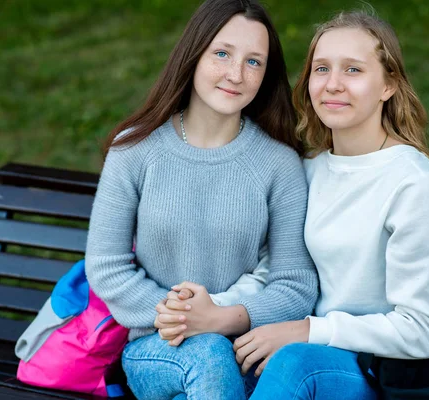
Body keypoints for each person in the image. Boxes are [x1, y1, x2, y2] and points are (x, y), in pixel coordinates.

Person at [83, 0, 318, 399]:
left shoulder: (279, 164)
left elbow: (296, 285)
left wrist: (220, 319)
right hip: (156, 346)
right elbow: (107, 266)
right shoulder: (135, 150)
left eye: (254, 62)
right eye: (222, 54)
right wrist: (181, 317)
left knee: (218, 360)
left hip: (247, 347)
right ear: (193, 56)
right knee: (208, 356)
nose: (236, 74)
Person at [228, 10, 429, 400]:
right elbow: (273, 270)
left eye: (353, 70)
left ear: (388, 84)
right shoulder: (307, 172)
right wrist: (209, 309)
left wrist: (310, 330)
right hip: (319, 352)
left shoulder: (414, 186)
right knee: (220, 356)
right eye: (321, 69)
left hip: (399, 372)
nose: (333, 84)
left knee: (293, 366)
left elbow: (421, 331)